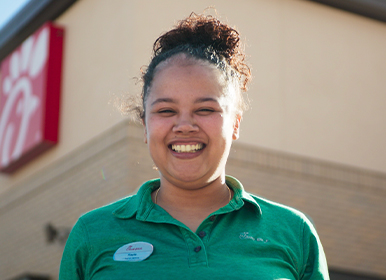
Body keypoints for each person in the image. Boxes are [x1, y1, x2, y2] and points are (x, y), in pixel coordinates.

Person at [59, 13, 329, 279]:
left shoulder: (294, 232)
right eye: (166, 111)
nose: (185, 125)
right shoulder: (91, 234)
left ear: (235, 123)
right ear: (145, 125)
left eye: (205, 109)